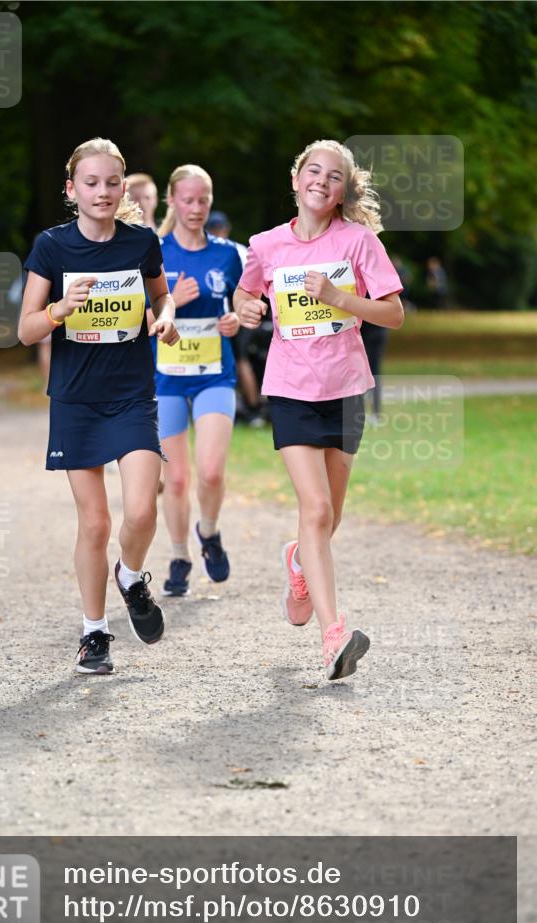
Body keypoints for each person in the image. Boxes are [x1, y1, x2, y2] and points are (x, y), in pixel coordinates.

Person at [234, 139, 404, 680]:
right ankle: (335, 635)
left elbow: (393, 315)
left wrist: (338, 299)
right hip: (290, 387)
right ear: (295, 178)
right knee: (316, 510)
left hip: (346, 387)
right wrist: (247, 308)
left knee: (331, 514)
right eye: (314, 171)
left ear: (341, 193)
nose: (322, 182)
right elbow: (243, 298)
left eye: (334, 177)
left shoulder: (359, 242)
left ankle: (298, 562)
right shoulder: (265, 245)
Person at [18, 137, 179, 677]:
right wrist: (61, 308)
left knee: (141, 511)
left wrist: (167, 314)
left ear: (122, 186)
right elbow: (25, 330)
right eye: (91, 182)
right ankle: (94, 633)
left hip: (132, 395)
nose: (103, 191)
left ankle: (130, 576)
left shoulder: (140, 242)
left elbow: (161, 294)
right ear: (72, 189)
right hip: (76, 400)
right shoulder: (52, 247)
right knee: (94, 523)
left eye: (112, 182)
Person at [150, 165, 243, 597]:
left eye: (203, 199)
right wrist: (170, 303)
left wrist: (235, 319)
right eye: (187, 200)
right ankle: (179, 556)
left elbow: (248, 303)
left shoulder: (227, 253)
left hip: (214, 375)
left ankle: (208, 532)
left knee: (209, 471)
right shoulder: (153, 252)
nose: (196, 208)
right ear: (172, 201)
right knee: (178, 479)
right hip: (166, 378)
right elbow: (134, 321)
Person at [206, 211, 265, 428]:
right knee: (238, 361)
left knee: (240, 361)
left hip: (238, 315)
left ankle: (252, 406)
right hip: (238, 314)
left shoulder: (231, 251)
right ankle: (243, 406)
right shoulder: (238, 249)